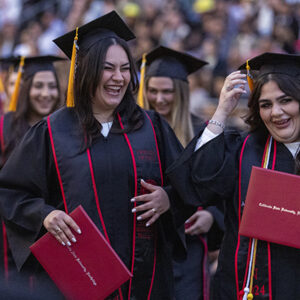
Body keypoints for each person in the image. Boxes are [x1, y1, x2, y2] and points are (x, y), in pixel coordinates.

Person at [0, 11, 186, 299]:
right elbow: (11, 191)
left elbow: (186, 183)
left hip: (147, 279)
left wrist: (168, 197)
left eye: (125, 68)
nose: (118, 77)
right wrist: (46, 216)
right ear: (85, 70)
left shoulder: (152, 127)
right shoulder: (52, 131)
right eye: (107, 68)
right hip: (79, 276)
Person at [167, 52, 300, 300]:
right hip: (238, 286)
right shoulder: (243, 149)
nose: (276, 113)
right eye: (266, 104)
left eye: (287, 100)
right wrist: (221, 111)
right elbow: (197, 181)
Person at [141, 45, 224, 300]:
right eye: (152, 91)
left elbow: (220, 189)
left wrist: (212, 216)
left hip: (188, 247)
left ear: (181, 92)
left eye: (167, 91)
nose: (160, 99)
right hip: (146, 244)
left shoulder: (202, 133)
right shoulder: (136, 133)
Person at [0, 55, 63, 289]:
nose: (46, 93)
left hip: (55, 231)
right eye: (38, 86)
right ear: (25, 89)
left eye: (51, 86)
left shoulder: (66, 130)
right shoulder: (3, 127)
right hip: (9, 233)